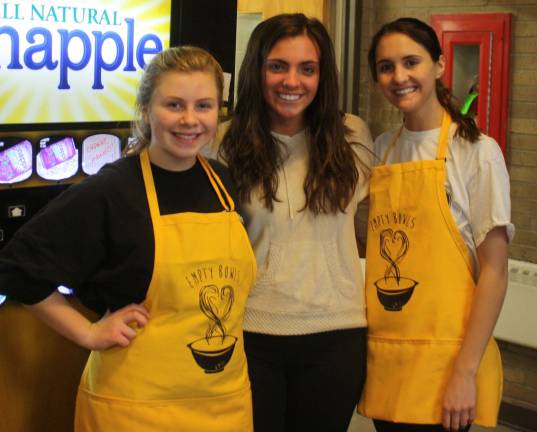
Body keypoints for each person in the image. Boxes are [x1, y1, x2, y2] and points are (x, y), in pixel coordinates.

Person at [0, 46, 256, 431]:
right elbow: (17, 269)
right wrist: (88, 332)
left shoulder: (223, 182)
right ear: (146, 108)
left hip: (223, 404)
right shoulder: (112, 190)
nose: (190, 120)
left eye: (203, 106)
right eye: (174, 105)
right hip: (133, 409)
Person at [210, 13, 373, 432]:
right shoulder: (223, 143)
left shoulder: (352, 136)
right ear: (257, 70)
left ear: (322, 77)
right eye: (277, 66)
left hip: (335, 334)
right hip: (250, 332)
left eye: (307, 69)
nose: (292, 81)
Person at [358, 17, 514, 432]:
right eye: (386, 67)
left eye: (412, 62)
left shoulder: (477, 152)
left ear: (439, 66)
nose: (399, 76)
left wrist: (465, 371)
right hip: (387, 359)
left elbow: (495, 274)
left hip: (445, 365)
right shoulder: (379, 150)